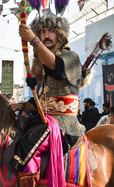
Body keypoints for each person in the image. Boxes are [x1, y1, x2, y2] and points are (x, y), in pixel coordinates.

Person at [10, 14, 87, 184]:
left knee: (26, 145)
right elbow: (40, 102)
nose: (46, 35)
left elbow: (56, 67)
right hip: (43, 120)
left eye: (51, 31)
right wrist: (19, 106)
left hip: (64, 125)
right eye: (42, 31)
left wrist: (33, 39)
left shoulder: (71, 57)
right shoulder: (43, 66)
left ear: (60, 35)